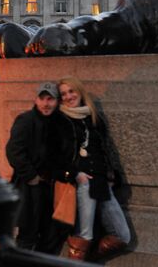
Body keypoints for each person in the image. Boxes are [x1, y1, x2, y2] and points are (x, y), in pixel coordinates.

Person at [51, 77, 130, 261]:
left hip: (102, 182)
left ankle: (90, 262)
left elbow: (104, 149)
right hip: (82, 183)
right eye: (64, 94)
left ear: (79, 91)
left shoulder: (93, 117)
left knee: (122, 236)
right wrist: (75, 174)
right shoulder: (60, 120)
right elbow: (54, 155)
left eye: (71, 91)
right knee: (84, 235)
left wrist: (111, 174)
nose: (69, 96)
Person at [6, 82, 63, 254]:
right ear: (36, 100)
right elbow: (14, 151)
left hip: (53, 187)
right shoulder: (26, 120)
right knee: (27, 236)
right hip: (30, 187)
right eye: (42, 98)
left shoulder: (61, 123)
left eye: (50, 99)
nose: (46, 103)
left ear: (57, 102)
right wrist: (31, 176)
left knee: (51, 235)